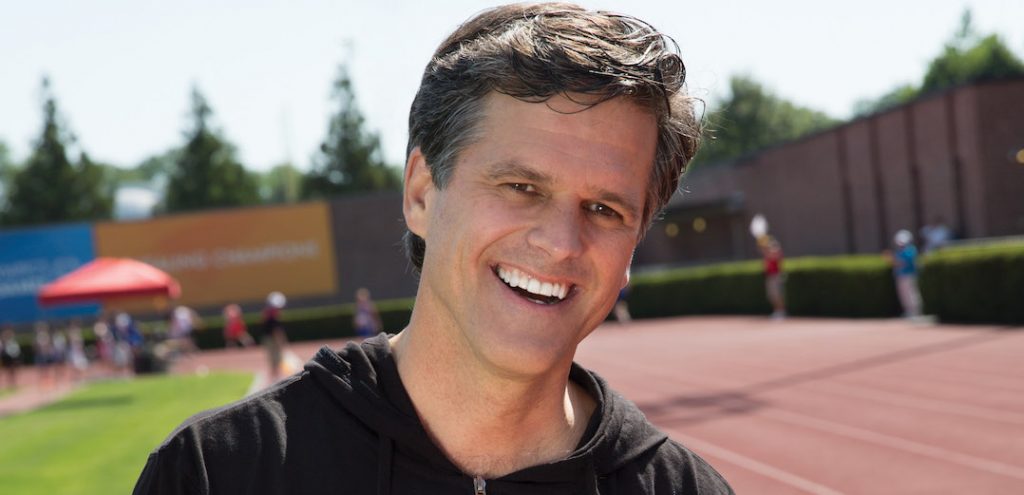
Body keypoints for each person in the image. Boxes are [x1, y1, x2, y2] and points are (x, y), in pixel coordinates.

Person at [133, 4, 732, 494]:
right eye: (521, 187)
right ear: (421, 193)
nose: (560, 242)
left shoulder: (682, 489)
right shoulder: (219, 473)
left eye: (605, 210)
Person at [889, 229, 922, 318]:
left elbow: (902, 262)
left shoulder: (910, 250)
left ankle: (915, 312)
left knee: (911, 293)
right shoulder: (899, 251)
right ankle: (908, 311)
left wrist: (891, 260)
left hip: (909, 275)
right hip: (901, 275)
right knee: (903, 294)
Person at [260, 291, 289, 381]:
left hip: (268, 339)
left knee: (274, 361)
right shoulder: (273, 315)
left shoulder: (267, 313)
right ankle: (275, 379)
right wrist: (281, 341)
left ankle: (274, 378)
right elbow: (276, 330)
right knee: (276, 360)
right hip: (272, 340)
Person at [759, 235, 786, 319]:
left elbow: (773, 256)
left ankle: (782, 311)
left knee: (777, 294)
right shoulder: (768, 253)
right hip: (770, 276)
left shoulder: (776, 251)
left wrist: (765, 250)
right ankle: (777, 311)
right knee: (772, 295)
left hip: (776, 276)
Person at [0, 325, 20, 390]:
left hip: (11, 356)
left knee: (12, 370)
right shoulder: (3, 338)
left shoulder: (12, 338)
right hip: (5, 356)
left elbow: (15, 348)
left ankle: (12, 383)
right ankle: (8, 383)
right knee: (7, 370)